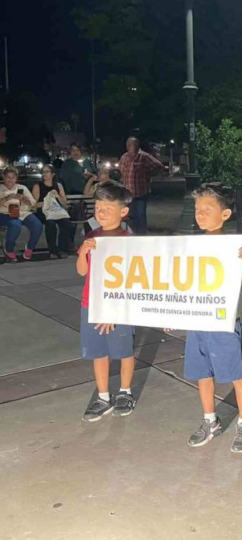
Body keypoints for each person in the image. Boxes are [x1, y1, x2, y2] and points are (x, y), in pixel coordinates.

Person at [173, 183, 242, 453]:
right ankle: (210, 421)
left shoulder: (232, 248)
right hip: (198, 322)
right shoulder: (190, 246)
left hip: (224, 321)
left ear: (225, 214)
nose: (201, 213)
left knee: (235, 373)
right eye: (198, 209)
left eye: (207, 209)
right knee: (201, 373)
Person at [76, 180, 136, 422]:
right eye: (98, 208)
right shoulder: (92, 235)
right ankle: (103, 396)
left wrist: (112, 310)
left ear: (123, 212)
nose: (101, 213)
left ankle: (125, 392)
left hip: (119, 307)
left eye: (107, 209)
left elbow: (132, 279)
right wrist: (83, 252)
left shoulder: (129, 240)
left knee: (123, 350)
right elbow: (82, 271)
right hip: (90, 303)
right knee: (98, 352)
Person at [118, 136, 166, 235]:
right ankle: (131, 235)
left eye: (130, 145)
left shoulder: (144, 156)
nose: (128, 147)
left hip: (140, 192)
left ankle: (141, 236)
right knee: (129, 217)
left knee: (140, 216)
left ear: (136, 145)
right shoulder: (124, 157)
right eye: (127, 145)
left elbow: (159, 166)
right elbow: (120, 171)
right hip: (128, 194)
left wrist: (149, 174)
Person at [0, 166, 43, 262]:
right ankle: (9, 249)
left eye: (13, 177)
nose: (10, 180)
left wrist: (23, 198)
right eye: (8, 177)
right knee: (15, 224)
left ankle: (30, 248)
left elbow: (32, 203)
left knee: (37, 225)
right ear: (3, 177)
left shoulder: (21, 188)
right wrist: (7, 198)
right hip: (5, 213)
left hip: (22, 212)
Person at [32, 164, 72, 259]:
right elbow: (33, 204)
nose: (44, 174)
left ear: (53, 174)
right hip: (44, 212)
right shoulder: (38, 186)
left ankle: (62, 249)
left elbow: (64, 203)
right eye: (43, 172)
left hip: (57, 211)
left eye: (47, 172)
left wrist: (57, 196)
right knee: (50, 224)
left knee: (66, 223)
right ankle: (52, 250)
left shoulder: (58, 186)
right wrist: (47, 202)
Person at [83, 166, 126, 235]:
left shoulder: (114, 187)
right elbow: (86, 193)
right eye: (99, 172)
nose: (98, 174)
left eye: (101, 173)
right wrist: (91, 180)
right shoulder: (98, 185)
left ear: (107, 175)